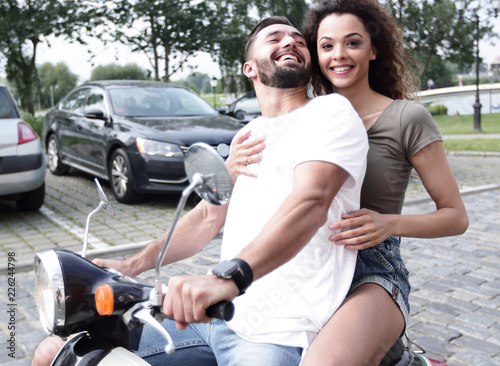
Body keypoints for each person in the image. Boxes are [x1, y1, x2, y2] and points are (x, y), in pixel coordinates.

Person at [33, 16, 368, 366]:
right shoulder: (246, 135)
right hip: (212, 319)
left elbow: (311, 202)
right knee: (53, 353)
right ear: (249, 68)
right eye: (275, 38)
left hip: (278, 332)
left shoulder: (329, 112)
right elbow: (208, 216)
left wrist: (230, 278)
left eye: (299, 40)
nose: (291, 42)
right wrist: (132, 265)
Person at [229, 1, 469, 365]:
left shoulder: (407, 119)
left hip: (370, 268)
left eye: (352, 43)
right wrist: (233, 168)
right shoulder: (304, 117)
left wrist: (390, 223)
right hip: (306, 264)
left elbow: (456, 216)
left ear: (373, 50)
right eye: (326, 46)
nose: (338, 55)